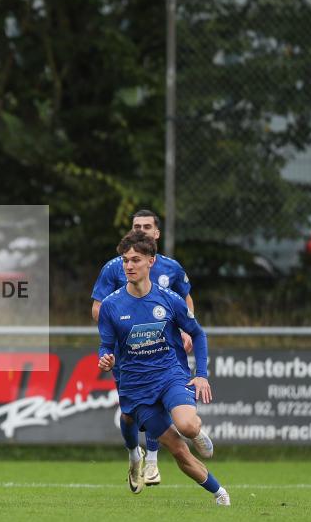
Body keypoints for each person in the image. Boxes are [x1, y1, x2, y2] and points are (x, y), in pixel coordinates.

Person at [97, 230, 230, 506]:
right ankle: (220, 494)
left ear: (151, 262)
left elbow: (198, 334)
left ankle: (197, 432)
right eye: (125, 261)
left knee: (188, 425)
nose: (129, 266)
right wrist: (106, 358)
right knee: (179, 450)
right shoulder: (111, 306)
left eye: (135, 260)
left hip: (170, 375)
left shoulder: (169, 299)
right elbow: (106, 346)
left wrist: (202, 375)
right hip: (137, 388)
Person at [91, 209, 195, 487]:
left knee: (161, 400)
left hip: (161, 350)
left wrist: (186, 329)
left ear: (157, 233)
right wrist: (113, 330)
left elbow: (186, 301)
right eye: (137, 226)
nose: (143, 230)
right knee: (128, 414)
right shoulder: (115, 267)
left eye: (148, 226)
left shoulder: (170, 267)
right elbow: (99, 307)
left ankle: (152, 461)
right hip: (127, 353)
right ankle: (133, 454)